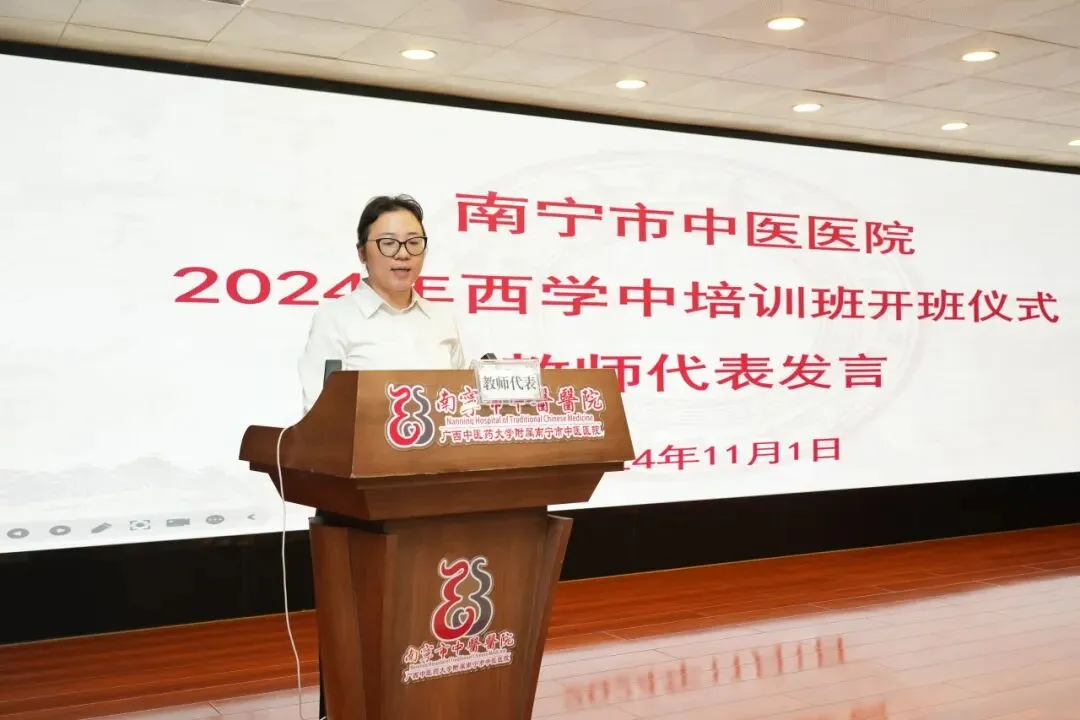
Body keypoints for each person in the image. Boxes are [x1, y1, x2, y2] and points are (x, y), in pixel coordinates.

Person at [296, 194, 468, 719]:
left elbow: (462, 400)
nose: (403, 254)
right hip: (362, 499)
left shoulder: (442, 319)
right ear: (362, 252)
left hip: (436, 492)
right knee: (364, 627)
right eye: (388, 243)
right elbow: (318, 408)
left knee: (427, 621)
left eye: (414, 243)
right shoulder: (337, 318)